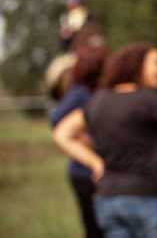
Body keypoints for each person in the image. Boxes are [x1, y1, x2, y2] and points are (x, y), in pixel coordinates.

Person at [53, 43, 157, 238]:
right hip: (149, 200)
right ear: (137, 66)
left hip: (108, 201)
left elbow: (62, 133)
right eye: (156, 63)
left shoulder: (98, 101)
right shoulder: (148, 100)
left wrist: (95, 164)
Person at [50, 45, 108, 238]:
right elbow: (56, 119)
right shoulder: (80, 93)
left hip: (94, 171)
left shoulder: (92, 91)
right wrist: (83, 139)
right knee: (95, 228)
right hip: (84, 173)